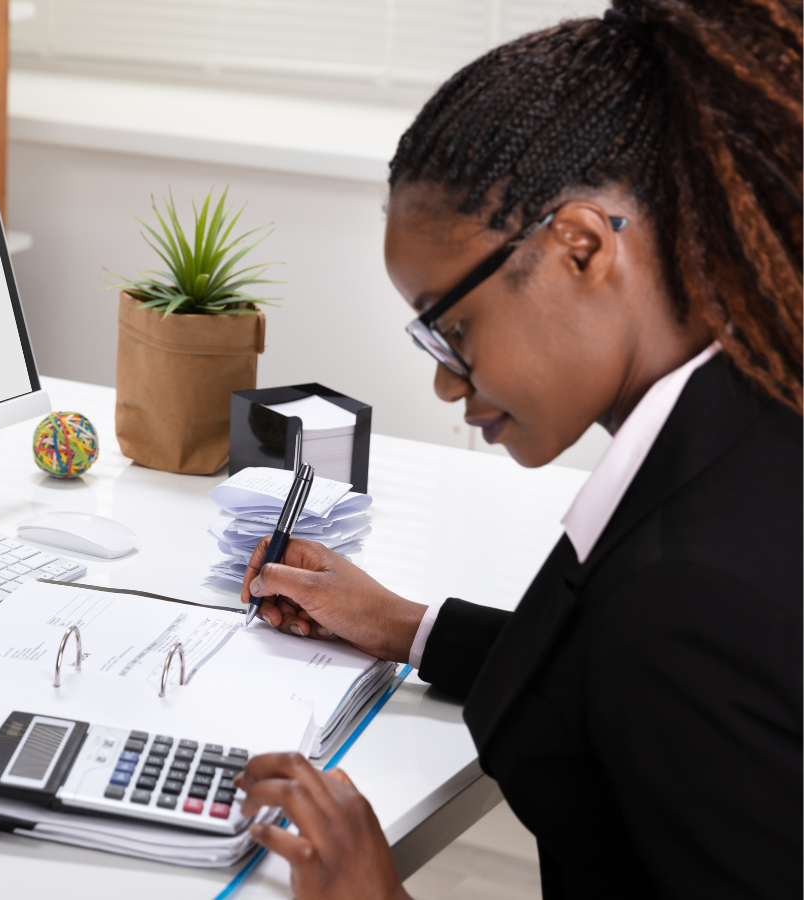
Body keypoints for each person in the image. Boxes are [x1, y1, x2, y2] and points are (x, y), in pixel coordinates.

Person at [233, 1, 803, 897]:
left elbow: (661, 651)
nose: (447, 384)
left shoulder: (687, 599)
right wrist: (406, 628)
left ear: (580, 248)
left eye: (451, 328)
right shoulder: (755, 411)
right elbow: (618, 675)